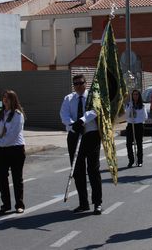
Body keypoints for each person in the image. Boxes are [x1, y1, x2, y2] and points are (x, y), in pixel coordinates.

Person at [60, 75, 102, 214]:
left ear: (85, 83)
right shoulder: (68, 98)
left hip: (91, 136)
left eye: (80, 83)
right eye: (75, 83)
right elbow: (64, 115)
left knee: (93, 170)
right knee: (78, 171)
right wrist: (73, 126)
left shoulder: (92, 96)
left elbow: (95, 110)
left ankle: (97, 203)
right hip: (74, 136)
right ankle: (83, 203)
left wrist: (82, 120)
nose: (78, 86)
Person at [0, 90, 26, 215]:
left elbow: (11, 137)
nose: (5, 100)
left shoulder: (18, 115)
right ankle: (6, 204)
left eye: (8, 98)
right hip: (3, 150)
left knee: (16, 178)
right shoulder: (1, 114)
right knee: (1, 178)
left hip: (16, 148)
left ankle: (19, 205)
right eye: (4, 98)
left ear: (13, 100)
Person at [125, 89, 148, 168]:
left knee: (139, 144)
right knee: (128, 144)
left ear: (139, 96)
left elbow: (145, 117)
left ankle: (140, 161)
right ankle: (131, 160)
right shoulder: (129, 104)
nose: (135, 96)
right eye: (134, 94)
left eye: (137, 94)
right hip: (130, 125)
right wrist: (129, 108)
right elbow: (126, 115)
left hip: (139, 126)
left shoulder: (142, 106)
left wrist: (137, 120)